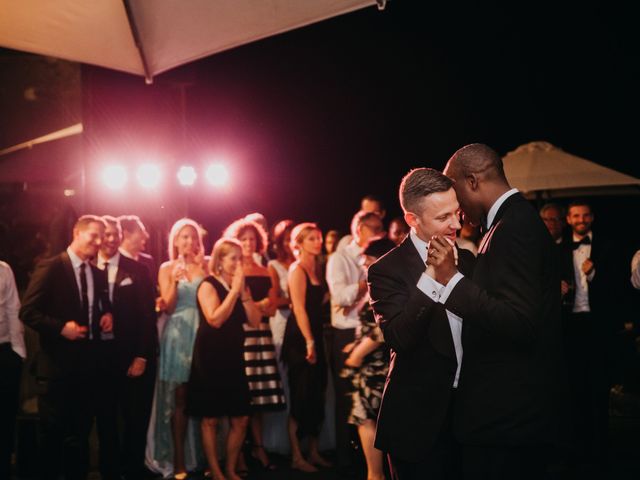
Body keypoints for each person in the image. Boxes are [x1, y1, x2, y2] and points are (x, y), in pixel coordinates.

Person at [429, 143, 568, 479]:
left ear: (473, 181)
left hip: (507, 418)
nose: (455, 205)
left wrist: (452, 282)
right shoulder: (508, 223)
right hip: (507, 415)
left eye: (455, 191)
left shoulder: (514, 227)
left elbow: (520, 321)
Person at [368, 168, 474, 480]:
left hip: (472, 416)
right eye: (444, 217)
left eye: (457, 213)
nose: (456, 224)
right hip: (417, 422)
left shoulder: (470, 261)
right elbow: (400, 337)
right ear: (413, 220)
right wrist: (432, 277)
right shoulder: (385, 270)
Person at [20, 215, 114, 479]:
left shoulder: (97, 272)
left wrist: (107, 314)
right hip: (56, 369)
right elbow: (28, 312)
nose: (98, 242)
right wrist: (61, 328)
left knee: (80, 437)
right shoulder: (52, 267)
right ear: (76, 232)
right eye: (93, 235)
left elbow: (100, 305)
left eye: (101, 237)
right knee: (52, 436)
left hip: (87, 370)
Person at [559, 200, 629, 470]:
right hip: (571, 325)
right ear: (569, 219)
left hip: (598, 325)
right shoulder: (559, 249)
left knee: (599, 386)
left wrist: (596, 272)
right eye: (576, 215)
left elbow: (621, 287)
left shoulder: (609, 247)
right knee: (575, 387)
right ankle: (578, 446)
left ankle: (601, 447)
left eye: (585, 215)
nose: (581, 219)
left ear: (592, 218)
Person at [186, 238, 262, 480]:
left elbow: (255, 321)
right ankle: (217, 471)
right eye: (233, 258)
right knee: (210, 418)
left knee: (241, 416)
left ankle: (230, 467)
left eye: (240, 259)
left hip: (233, 356)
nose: (238, 263)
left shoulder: (241, 287)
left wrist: (244, 294)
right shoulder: (208, 285)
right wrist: (233, 291)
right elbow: (215, 319)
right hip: (209, 357)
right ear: (219, 260)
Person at [223, 218, 286, 471]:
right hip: (240, 337)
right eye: (244, 239)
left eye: (252, 239)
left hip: (262, 336)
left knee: (259, 400)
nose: (248, 244)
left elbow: (271, 310)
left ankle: (258, 449)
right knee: (241, 398)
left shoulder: (265, 269)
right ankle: (237, 454)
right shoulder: (230, 270)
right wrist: (255, 307)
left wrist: (257, 306)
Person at [97, 216, 157, 480]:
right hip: (99, 359)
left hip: (132, 356)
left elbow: (147, 316)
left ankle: (133, 470)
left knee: (135, 419)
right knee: (105, 421)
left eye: (115, 233)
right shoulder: (86, 268)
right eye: (106, 234)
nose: (111, 239)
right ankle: (109, 472)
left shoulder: (138, 270)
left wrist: (142, 355)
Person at [149, 218, 207, 479]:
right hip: (178, 334)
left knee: (205, 397)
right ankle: (180, 460)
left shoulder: (206, 266)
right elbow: (169, 306)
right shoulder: (166, 267)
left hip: (204, 333)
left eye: (192, 237)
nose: (188, 241)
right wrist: (172, 281)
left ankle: (207, 457)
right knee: (180, 399)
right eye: (183, 236)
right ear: (174, 240)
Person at [326, 210, 384, 472]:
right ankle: (345, 460)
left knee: (370, 406)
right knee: (347, 400)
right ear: (360, 228)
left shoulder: (376, 257)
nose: (379, 233)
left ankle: (369, 463)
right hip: (348, 334)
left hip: (371, 334)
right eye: (374, 228)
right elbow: (340, 297)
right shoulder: (340, 258)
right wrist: (366, 280)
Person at [341, 237, 395, 480]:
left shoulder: (385, 283)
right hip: (370, 364)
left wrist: (356, 354)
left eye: (368, 261)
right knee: (368, 419)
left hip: (376, 366)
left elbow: (382, 329)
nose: (363, 265)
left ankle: (376, 475)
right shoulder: (377, 282)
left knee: (369, 419)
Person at [282, 223, 331, 472]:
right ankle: (296, 456)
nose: (317, 241)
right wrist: (310, 341)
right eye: (312, 238)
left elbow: (319, 301)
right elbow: (298, 308)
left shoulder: (318, 268)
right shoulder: (297, 269)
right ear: (299, 243)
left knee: (316, 395)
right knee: (300, 397)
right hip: (300, 339)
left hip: (315, 334)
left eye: (319, 237)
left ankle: (312, 451)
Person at [264, 219, 296, 454]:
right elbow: (274, 301)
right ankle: (277, 440)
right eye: (285, 240)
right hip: (282, 321)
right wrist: (297, 299)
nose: (288, 244)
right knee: (282, 377)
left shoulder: (301, 262)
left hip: (297, 320)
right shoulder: (273, 265)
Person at [0, 260, 26, 480]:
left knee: (5, 417)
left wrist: (18, 353)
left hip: (4, 352)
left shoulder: (4, 269)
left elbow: (13, 309)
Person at [119, 215, 157, 280]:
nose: (147, 236)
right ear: (127, 234)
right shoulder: (113, 261)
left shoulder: (148, 261)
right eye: (140, 231)